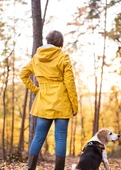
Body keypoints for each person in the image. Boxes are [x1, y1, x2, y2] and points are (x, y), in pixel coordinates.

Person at [19, 30, 78, 170]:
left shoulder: (37, 57)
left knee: (38, 137)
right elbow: (70, 83)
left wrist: (36, 90)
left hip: (43, 102)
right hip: (62, 103)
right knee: (61, 138)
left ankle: (30, 168)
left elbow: (23, 74)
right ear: (61, 43)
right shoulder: (63, 57)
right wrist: (74, 105)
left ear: (47, 40)